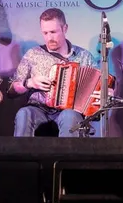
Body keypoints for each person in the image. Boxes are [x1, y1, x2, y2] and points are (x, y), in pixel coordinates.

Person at [8, 8, 106, 137]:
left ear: (65, 28)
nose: (49, 37)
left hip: (69, 111)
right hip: (38, 110)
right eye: (45, 33)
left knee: (69, 116)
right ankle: (20, 151)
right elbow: (11, 91)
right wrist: (29, 83)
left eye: (53, 32)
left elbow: (99, 86)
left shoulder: (83, 56)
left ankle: (67, 151)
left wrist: (105, 93)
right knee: (24, 113)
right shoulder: (33, 54)